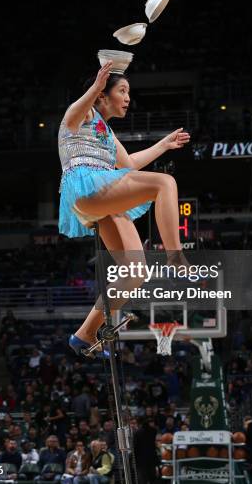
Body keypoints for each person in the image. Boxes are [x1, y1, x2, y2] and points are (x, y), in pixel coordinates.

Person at [58, 61, 190, 354]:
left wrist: (163, 145)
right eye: (122, 90)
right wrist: (94, 88)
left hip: (100, 200)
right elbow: (71, 118)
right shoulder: (84, 112)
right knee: (165, 183)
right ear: (103, 96)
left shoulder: (106, 131)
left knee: (136, 272)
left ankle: (84, 333)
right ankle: (175, 256)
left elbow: (128, 164)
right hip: (88, 185)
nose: (128, 97)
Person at [133, 418, 159, 484]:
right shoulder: (153, 431)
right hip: (151, 459)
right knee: (152, 479)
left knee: (142, 480)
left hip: (141, 461)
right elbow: (154, 446)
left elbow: (135, 447)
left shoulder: (137, 433)